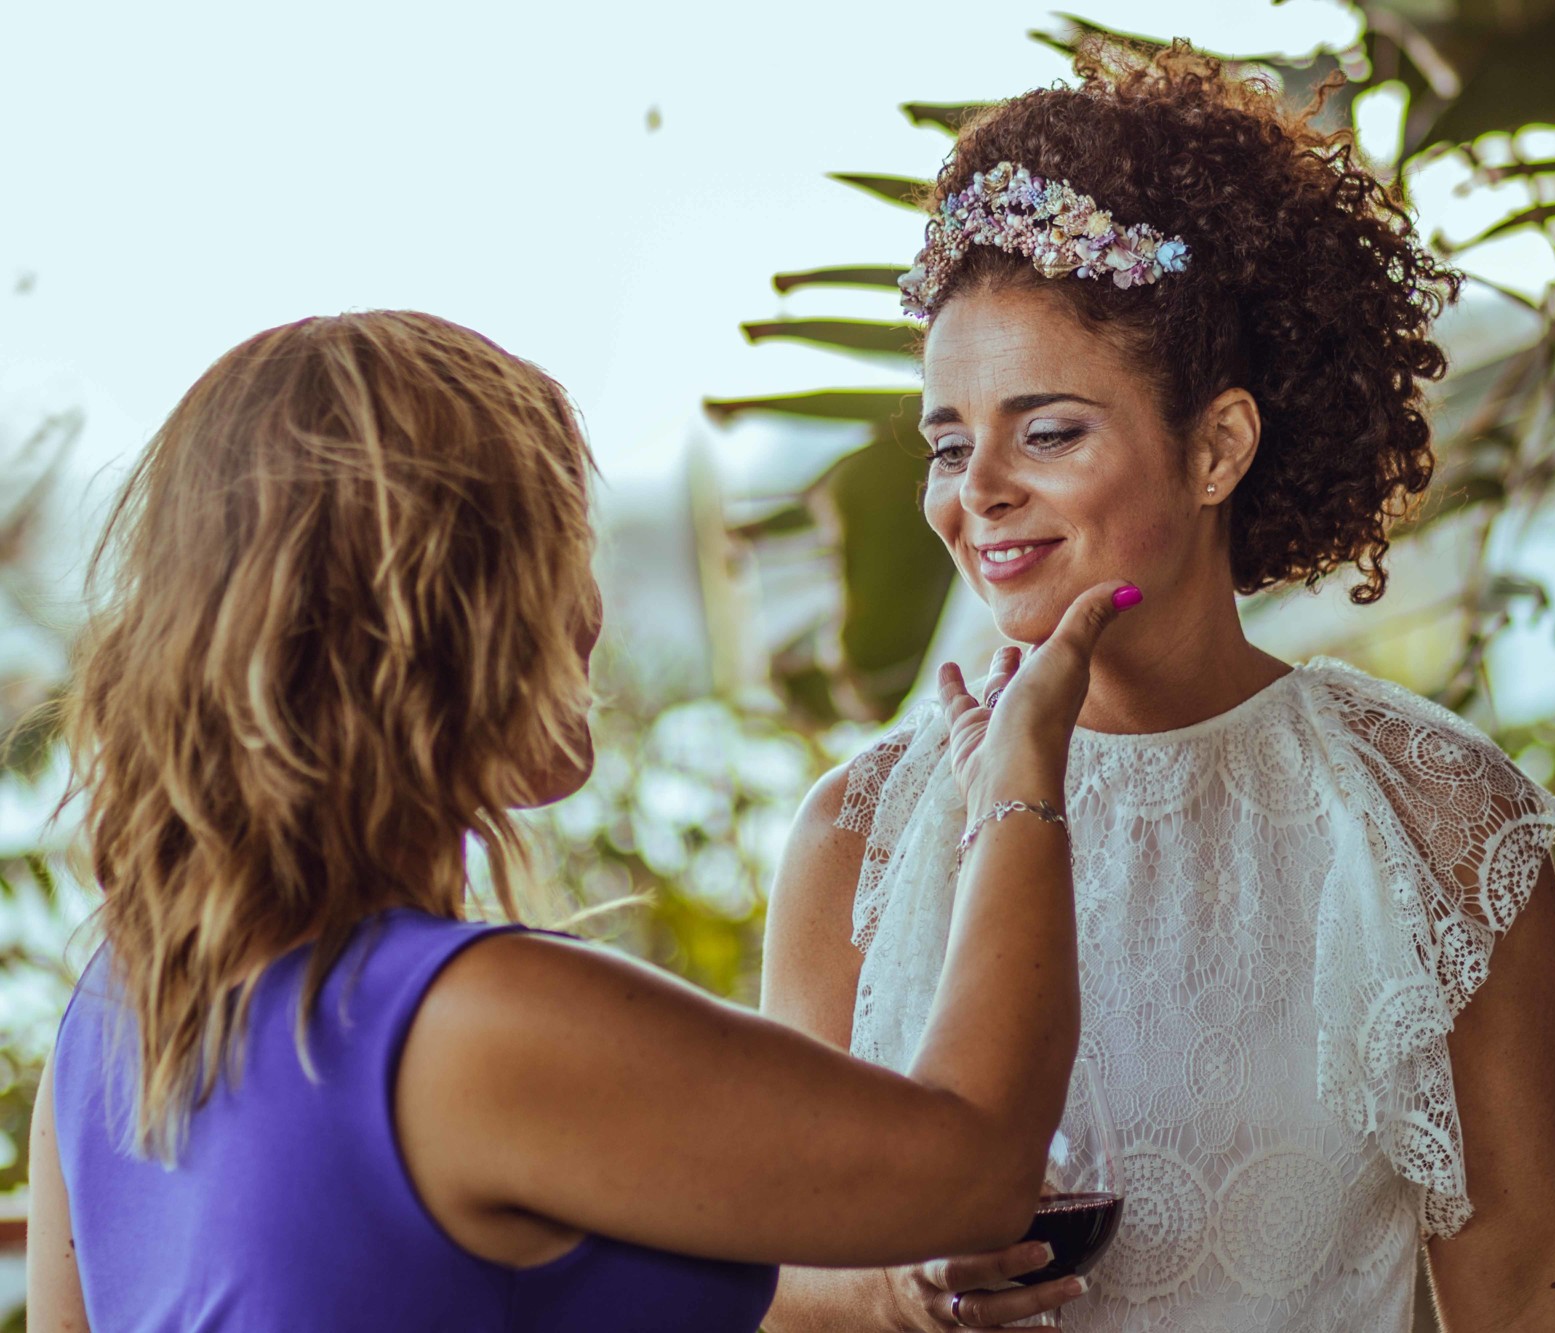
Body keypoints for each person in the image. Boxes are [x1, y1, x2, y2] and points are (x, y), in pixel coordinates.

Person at [25, 310, 1137, 1332]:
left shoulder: (116, 1007)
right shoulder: (473, 1021)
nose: (594, 610)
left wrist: (885, 1299)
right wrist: (1015, 779)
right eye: (560, 544)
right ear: (443, 613)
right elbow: (977, 1167)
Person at [760, 41, 1555, 1333]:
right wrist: (896, 1291)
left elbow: (1533, 1291)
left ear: (1216, 446)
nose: (976, 490)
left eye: (1047, 431)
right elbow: (767, 1280)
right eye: (948, 442)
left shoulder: (1436, 822)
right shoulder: (857, 838)